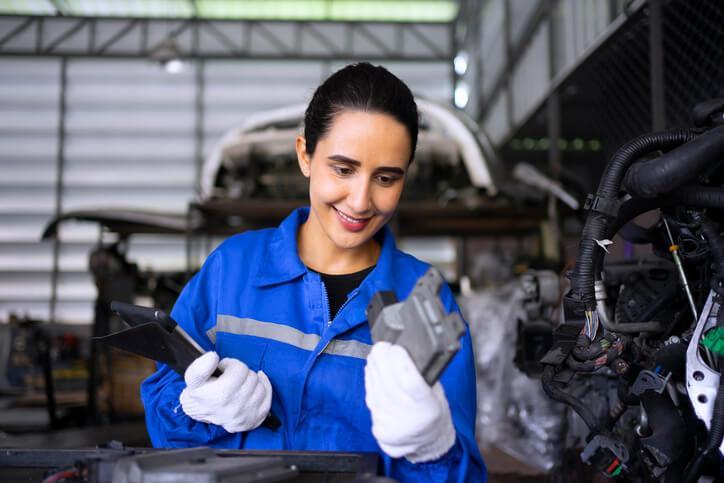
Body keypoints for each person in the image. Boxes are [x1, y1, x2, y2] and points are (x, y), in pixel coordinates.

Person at [141, 62, 486, 482]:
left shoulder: (425, 301)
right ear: (305, 155)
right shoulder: (230, 269)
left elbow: (462, 474)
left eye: (386, 177)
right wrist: (192, 405)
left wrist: (433, 448)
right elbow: (161, 411)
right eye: (343, 169)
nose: (360, 201)